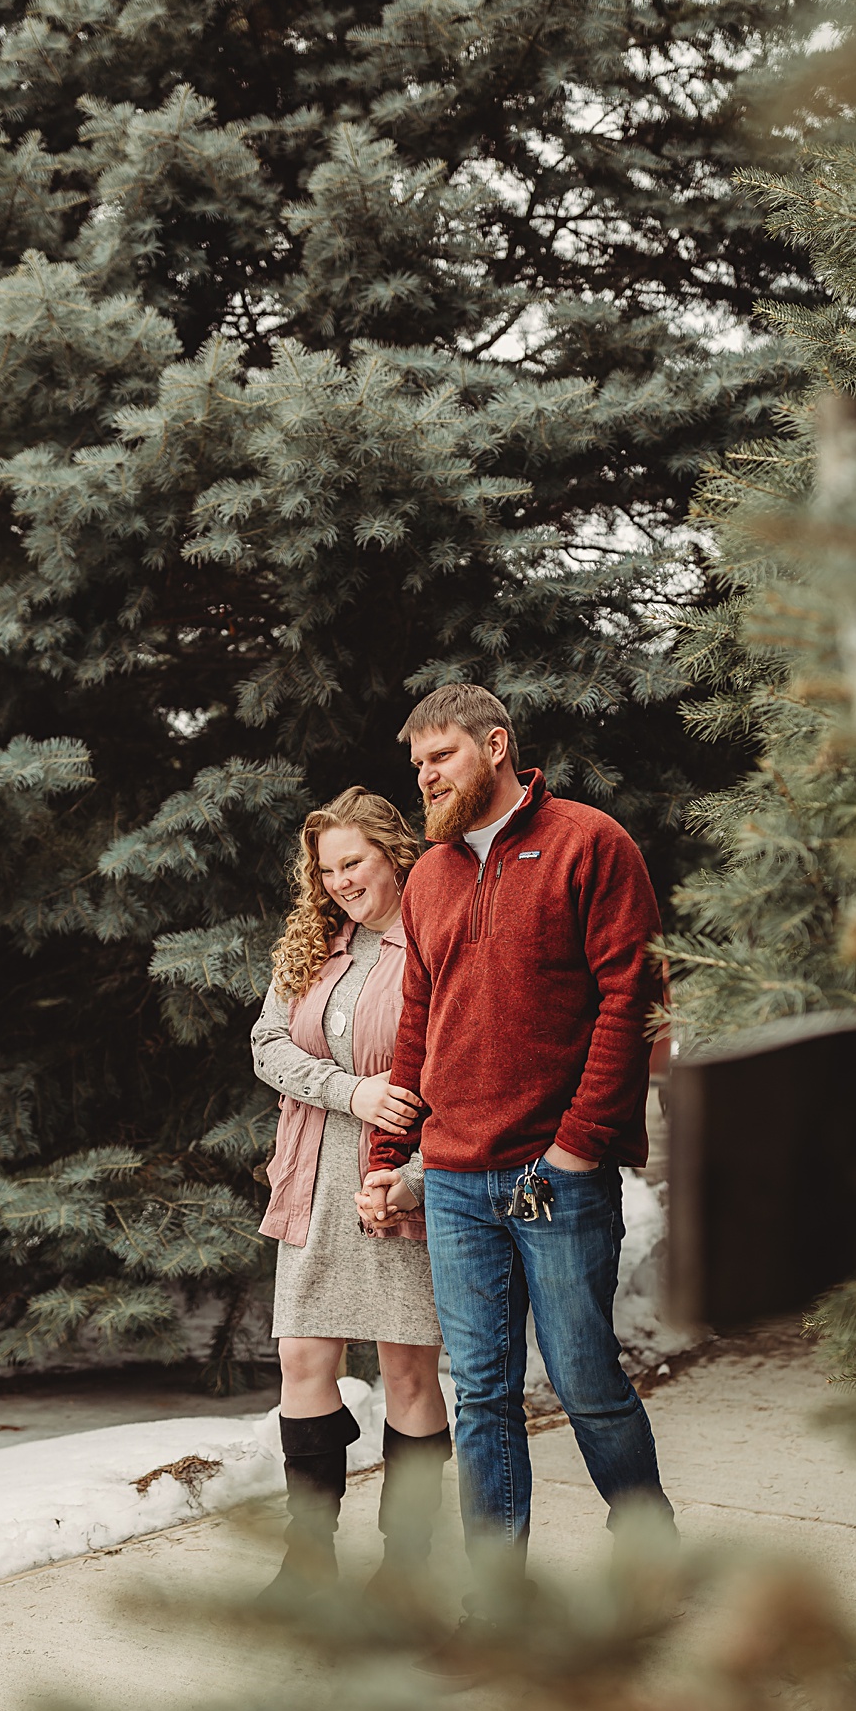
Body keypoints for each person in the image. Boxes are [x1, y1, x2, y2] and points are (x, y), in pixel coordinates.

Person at [357, 684, 674, 1626]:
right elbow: (418, 1019)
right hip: (455, 1176)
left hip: (555, 1171)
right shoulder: (429, 876)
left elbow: (633, 997)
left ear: (497, 746)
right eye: (417, 765)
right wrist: (390, 1149)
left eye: (441, 757)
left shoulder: (589, 842)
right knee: (485, 1394)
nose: (426, 776)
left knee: (584, 1380)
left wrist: (580, 1147)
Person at [251, 787, 450, 1600]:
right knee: (303, 1356)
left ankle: (404, 1571)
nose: (339, 881)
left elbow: (464, 1074)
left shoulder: (435, 942)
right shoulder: (313, 945)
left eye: (354, 862)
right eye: (326, 869)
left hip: (393, 1178)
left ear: (393, 853)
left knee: (407, 1372)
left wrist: (415, 1175)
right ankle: (308, 1561)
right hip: (311, 1172)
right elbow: (266, 1043)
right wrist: (350, 1091)